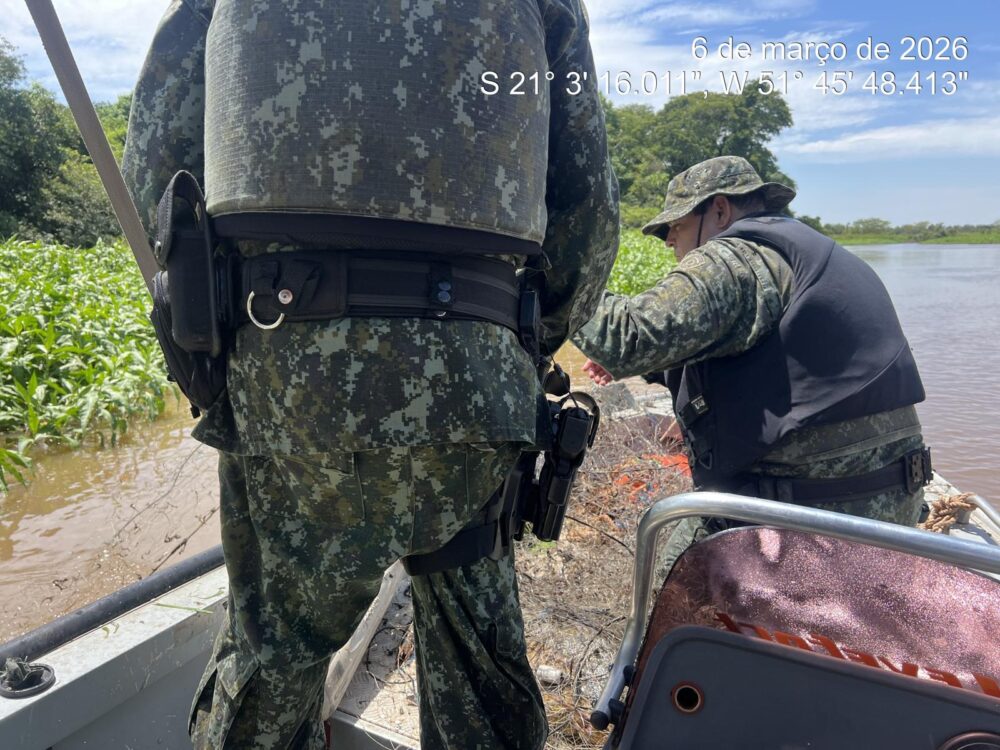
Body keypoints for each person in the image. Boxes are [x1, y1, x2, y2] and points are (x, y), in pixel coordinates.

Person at [122, 2, 618, 748]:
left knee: (274, 658)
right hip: (475, 378)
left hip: (288, 379)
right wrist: (522, 345)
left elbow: (158, 165)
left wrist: (220, 347)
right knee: (482, 673)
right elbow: (587, 208)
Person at [574, 155, 931, 569]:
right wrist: (654, 366)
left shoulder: (735, 258)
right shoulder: (811, 254)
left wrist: (563, 274)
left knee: (674, 582)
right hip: (890, 506)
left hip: (814, 520)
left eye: (676, 227)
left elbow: (623, 338)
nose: (669, 241)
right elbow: (775, 359)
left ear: (720, 210)